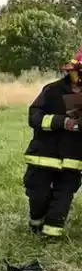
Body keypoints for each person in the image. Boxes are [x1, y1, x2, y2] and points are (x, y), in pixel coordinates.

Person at [24, 49, 82, 238]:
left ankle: (51, 239)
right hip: (43, 156)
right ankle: (35, 226)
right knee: (38, 196)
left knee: (62, 200)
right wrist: (61, 122)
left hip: (73, 161)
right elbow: (34, 117)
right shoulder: (52, 90)